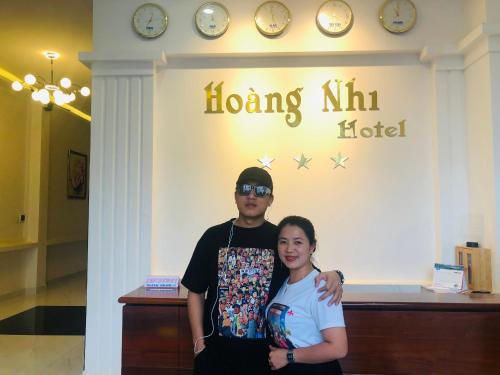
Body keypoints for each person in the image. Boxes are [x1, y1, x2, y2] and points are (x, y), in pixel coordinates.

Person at [181, 167, 344, 375]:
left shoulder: (279, 238)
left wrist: (337, 275)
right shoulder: (213, 237)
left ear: (270, 199)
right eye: (245, 189)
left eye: (260, 191)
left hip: (267, 358)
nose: (251, 195)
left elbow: (307, 274)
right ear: (235, 195)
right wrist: (198, 344)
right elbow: (195, 291)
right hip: (215, 355)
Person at [267, 216, 347, 374]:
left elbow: (338, 348)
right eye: (283, 242)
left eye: (298, 242)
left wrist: (288, 356)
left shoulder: (322, 287)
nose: (289, 249)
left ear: (312, 247)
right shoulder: (284, 282)